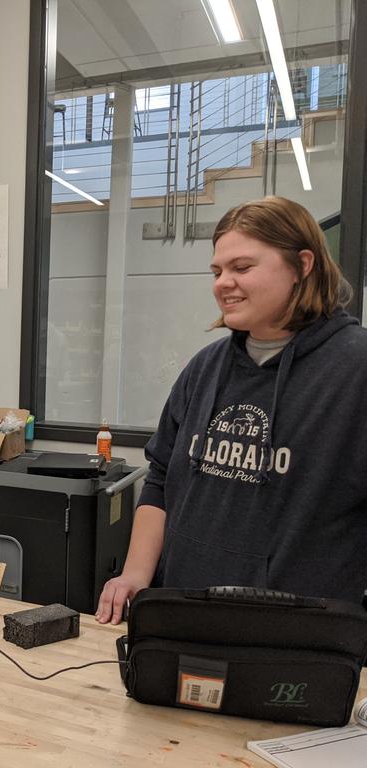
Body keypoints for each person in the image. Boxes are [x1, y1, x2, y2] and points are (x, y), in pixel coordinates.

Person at [96, 196, 367, 624]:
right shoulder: (205, 368)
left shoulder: (354, 369)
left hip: (298, 637)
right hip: (185, 614)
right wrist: (135, 574)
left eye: (242, 268)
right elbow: (161, 478)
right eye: (218, 271)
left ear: (302, 266)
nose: (223, 282)